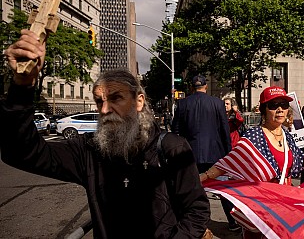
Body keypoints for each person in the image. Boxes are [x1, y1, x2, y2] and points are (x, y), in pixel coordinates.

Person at [0, 30, 210, 238]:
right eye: (100, 101)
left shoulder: (172, 147)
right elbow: (22, 153)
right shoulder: (89, 150)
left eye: (116, 98)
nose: (104, 109)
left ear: (139, 101)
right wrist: (22, 86)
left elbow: (196, 210)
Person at [199, 86, 304, 238]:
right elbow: (231, 161)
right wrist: (205, 176)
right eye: (274, 105)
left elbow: (298, 165)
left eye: (284, 105)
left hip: (283, 208)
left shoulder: (288, 137)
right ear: (264, 110)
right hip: (260, 208)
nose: (280, 109)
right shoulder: (254, 135)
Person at [171, 75, 238, 231]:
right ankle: (233, 221)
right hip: (215, 153)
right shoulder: (216, 103)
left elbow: (176, 131)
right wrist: (228, 154)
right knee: (222, 189)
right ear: (205, 86)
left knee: (190, 189)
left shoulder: (183, 104)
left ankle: (188, 222)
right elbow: (224, 129)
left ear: (192, 87)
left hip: (189, 155)